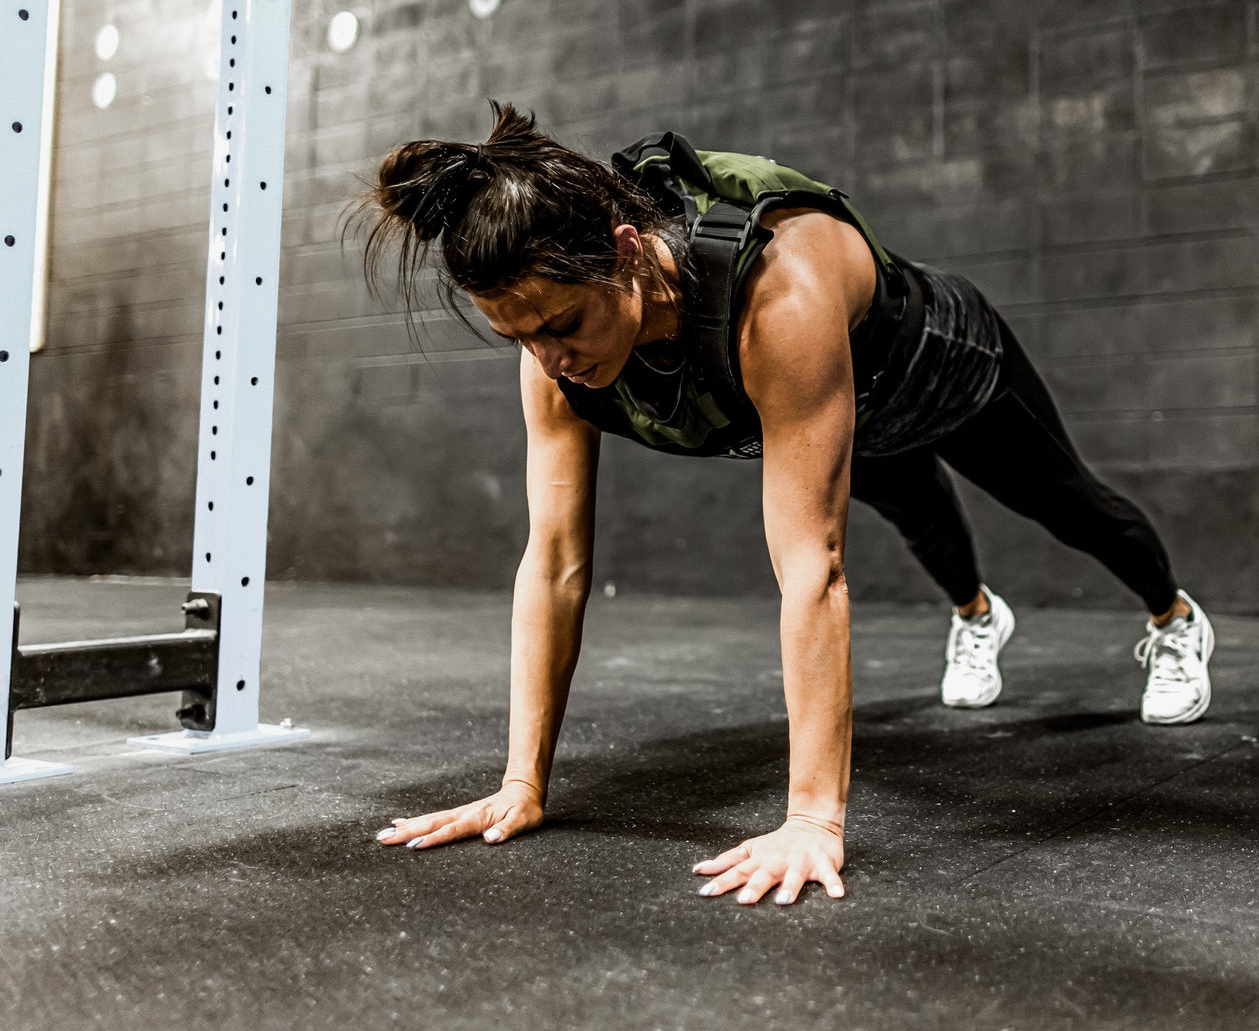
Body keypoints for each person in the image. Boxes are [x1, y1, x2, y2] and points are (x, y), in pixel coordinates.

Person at [363, 101, 1214, 907]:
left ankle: (1173, 618)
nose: (549, 360)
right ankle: (979, 615)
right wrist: (522, 782)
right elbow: (552, 564)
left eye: (561, 325)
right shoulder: (555, 357)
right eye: (519, 337)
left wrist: (812, 819)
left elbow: (812, 569)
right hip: (851, 416)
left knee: (1072, 509)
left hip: (946, 366)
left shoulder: (777, 298)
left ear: (625, 252)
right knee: (927, 528)